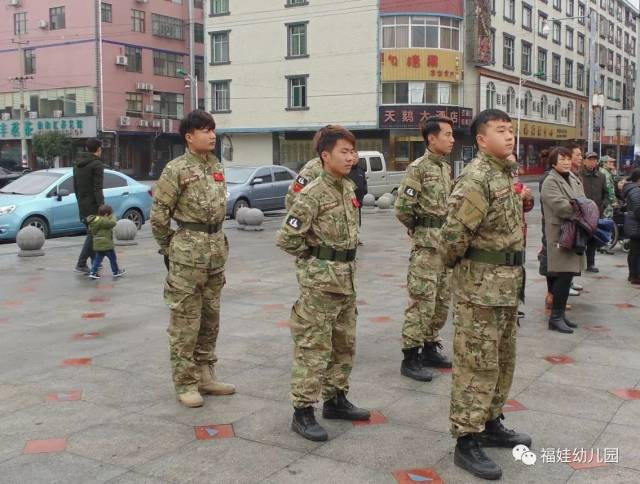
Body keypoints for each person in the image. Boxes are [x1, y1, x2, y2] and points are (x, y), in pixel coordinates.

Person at [439, 109, 530, 480]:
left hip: (506, 288)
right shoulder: (476, 179)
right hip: (480, 291)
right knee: (476, 364)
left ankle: (491, 421)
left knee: (503, 360)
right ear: (480, 139)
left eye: (510, 130)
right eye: (500, 130)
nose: (509, 136)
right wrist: (469, 273)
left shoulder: (504, 175)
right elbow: (451, 240)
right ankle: (467, 438)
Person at [276, 125, 370, 442]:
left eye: (353, 151)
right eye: (344, 152)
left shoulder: (346, 188)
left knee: (344, 344)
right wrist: (315, 261)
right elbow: (287, 238)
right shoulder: (312, 193)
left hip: (346, 281)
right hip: (320, 286)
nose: (351, 157)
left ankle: (336, 399)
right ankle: (302, 412)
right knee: (313, 349)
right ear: (325, 155)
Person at [151, 110, 235, 408]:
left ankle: (205, 374)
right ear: (189, 136)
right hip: (187, 252)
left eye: (213, 129)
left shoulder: (215, 166)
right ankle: (185, 382)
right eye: (204, 130)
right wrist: (169, 248)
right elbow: (159, 215)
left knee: (210, 317)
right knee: (185, 320)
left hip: (215, 250)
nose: (212, 135)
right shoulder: (176, 169)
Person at [394, 116, 454, 383]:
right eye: (447, 135)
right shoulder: (418, 168)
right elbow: (403, 208)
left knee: (441, 301)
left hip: (445, 246)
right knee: (422, 302)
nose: (452, 140)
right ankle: (411, 357)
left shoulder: (445, 168)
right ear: (432, 138)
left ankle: (430, 347)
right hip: (427, 247)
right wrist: (419, 229)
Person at [540, 147, 587, 334]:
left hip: (574, 231)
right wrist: (582, 209)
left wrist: (581, 207)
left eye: (568, 158)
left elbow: (583, 200)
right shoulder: (550, 181)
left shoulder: (573, 177)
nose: (567, 162)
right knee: (562, 275)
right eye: (562, 159)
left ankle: (560, 314)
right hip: (560, 233)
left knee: (568, 276)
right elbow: (562, 207)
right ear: (553, 162)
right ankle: (555, 317)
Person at [73, 138, 105, 274]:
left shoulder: (77, 164)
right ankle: (81, 263)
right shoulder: (97, 165)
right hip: (93, 205)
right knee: (93, 234)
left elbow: (75, 187)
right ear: (98, 149)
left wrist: (80, 201)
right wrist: (101, 206)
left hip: (82, 203)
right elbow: (97, 188)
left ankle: (95, 261)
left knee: (92, 232)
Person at [580, 152, 608, 272]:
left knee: (592, 240)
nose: (592, 162)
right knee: (580, 239)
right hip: (582, 213)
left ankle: (590, 264)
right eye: (590, 159)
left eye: (595, 160)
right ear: (584, 161)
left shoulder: (601, 176)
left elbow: (606, 193)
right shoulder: (579, 175)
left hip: (597, 213)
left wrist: (603, 204)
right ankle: (579, 264)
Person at [87, 205, 125, 279]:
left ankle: (93, 272)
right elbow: (113, 223)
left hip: (98, 245)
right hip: (107, 245)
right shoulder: (103, 221)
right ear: (106, 214)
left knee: (97, 260)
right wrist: (113, 217)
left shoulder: (95, 221)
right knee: (113, 259)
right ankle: (116, 271)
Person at [621, 168, 640, 284]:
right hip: (636, 225)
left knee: (635, 250)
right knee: (636, 251)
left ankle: (634, 275)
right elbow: (639, 209)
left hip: (635, 224)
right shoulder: (636, 191)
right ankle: (634, 275)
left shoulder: (634, 189)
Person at [348, 157, 367, 232]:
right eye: (354, 157)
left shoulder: (361, 170)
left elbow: (364, 183)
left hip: (358, 200)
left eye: (356, 157)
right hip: (349, 199)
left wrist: (364, 191)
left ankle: (357, 236)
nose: (355, 159)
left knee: (357, 220)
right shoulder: (347, 170)